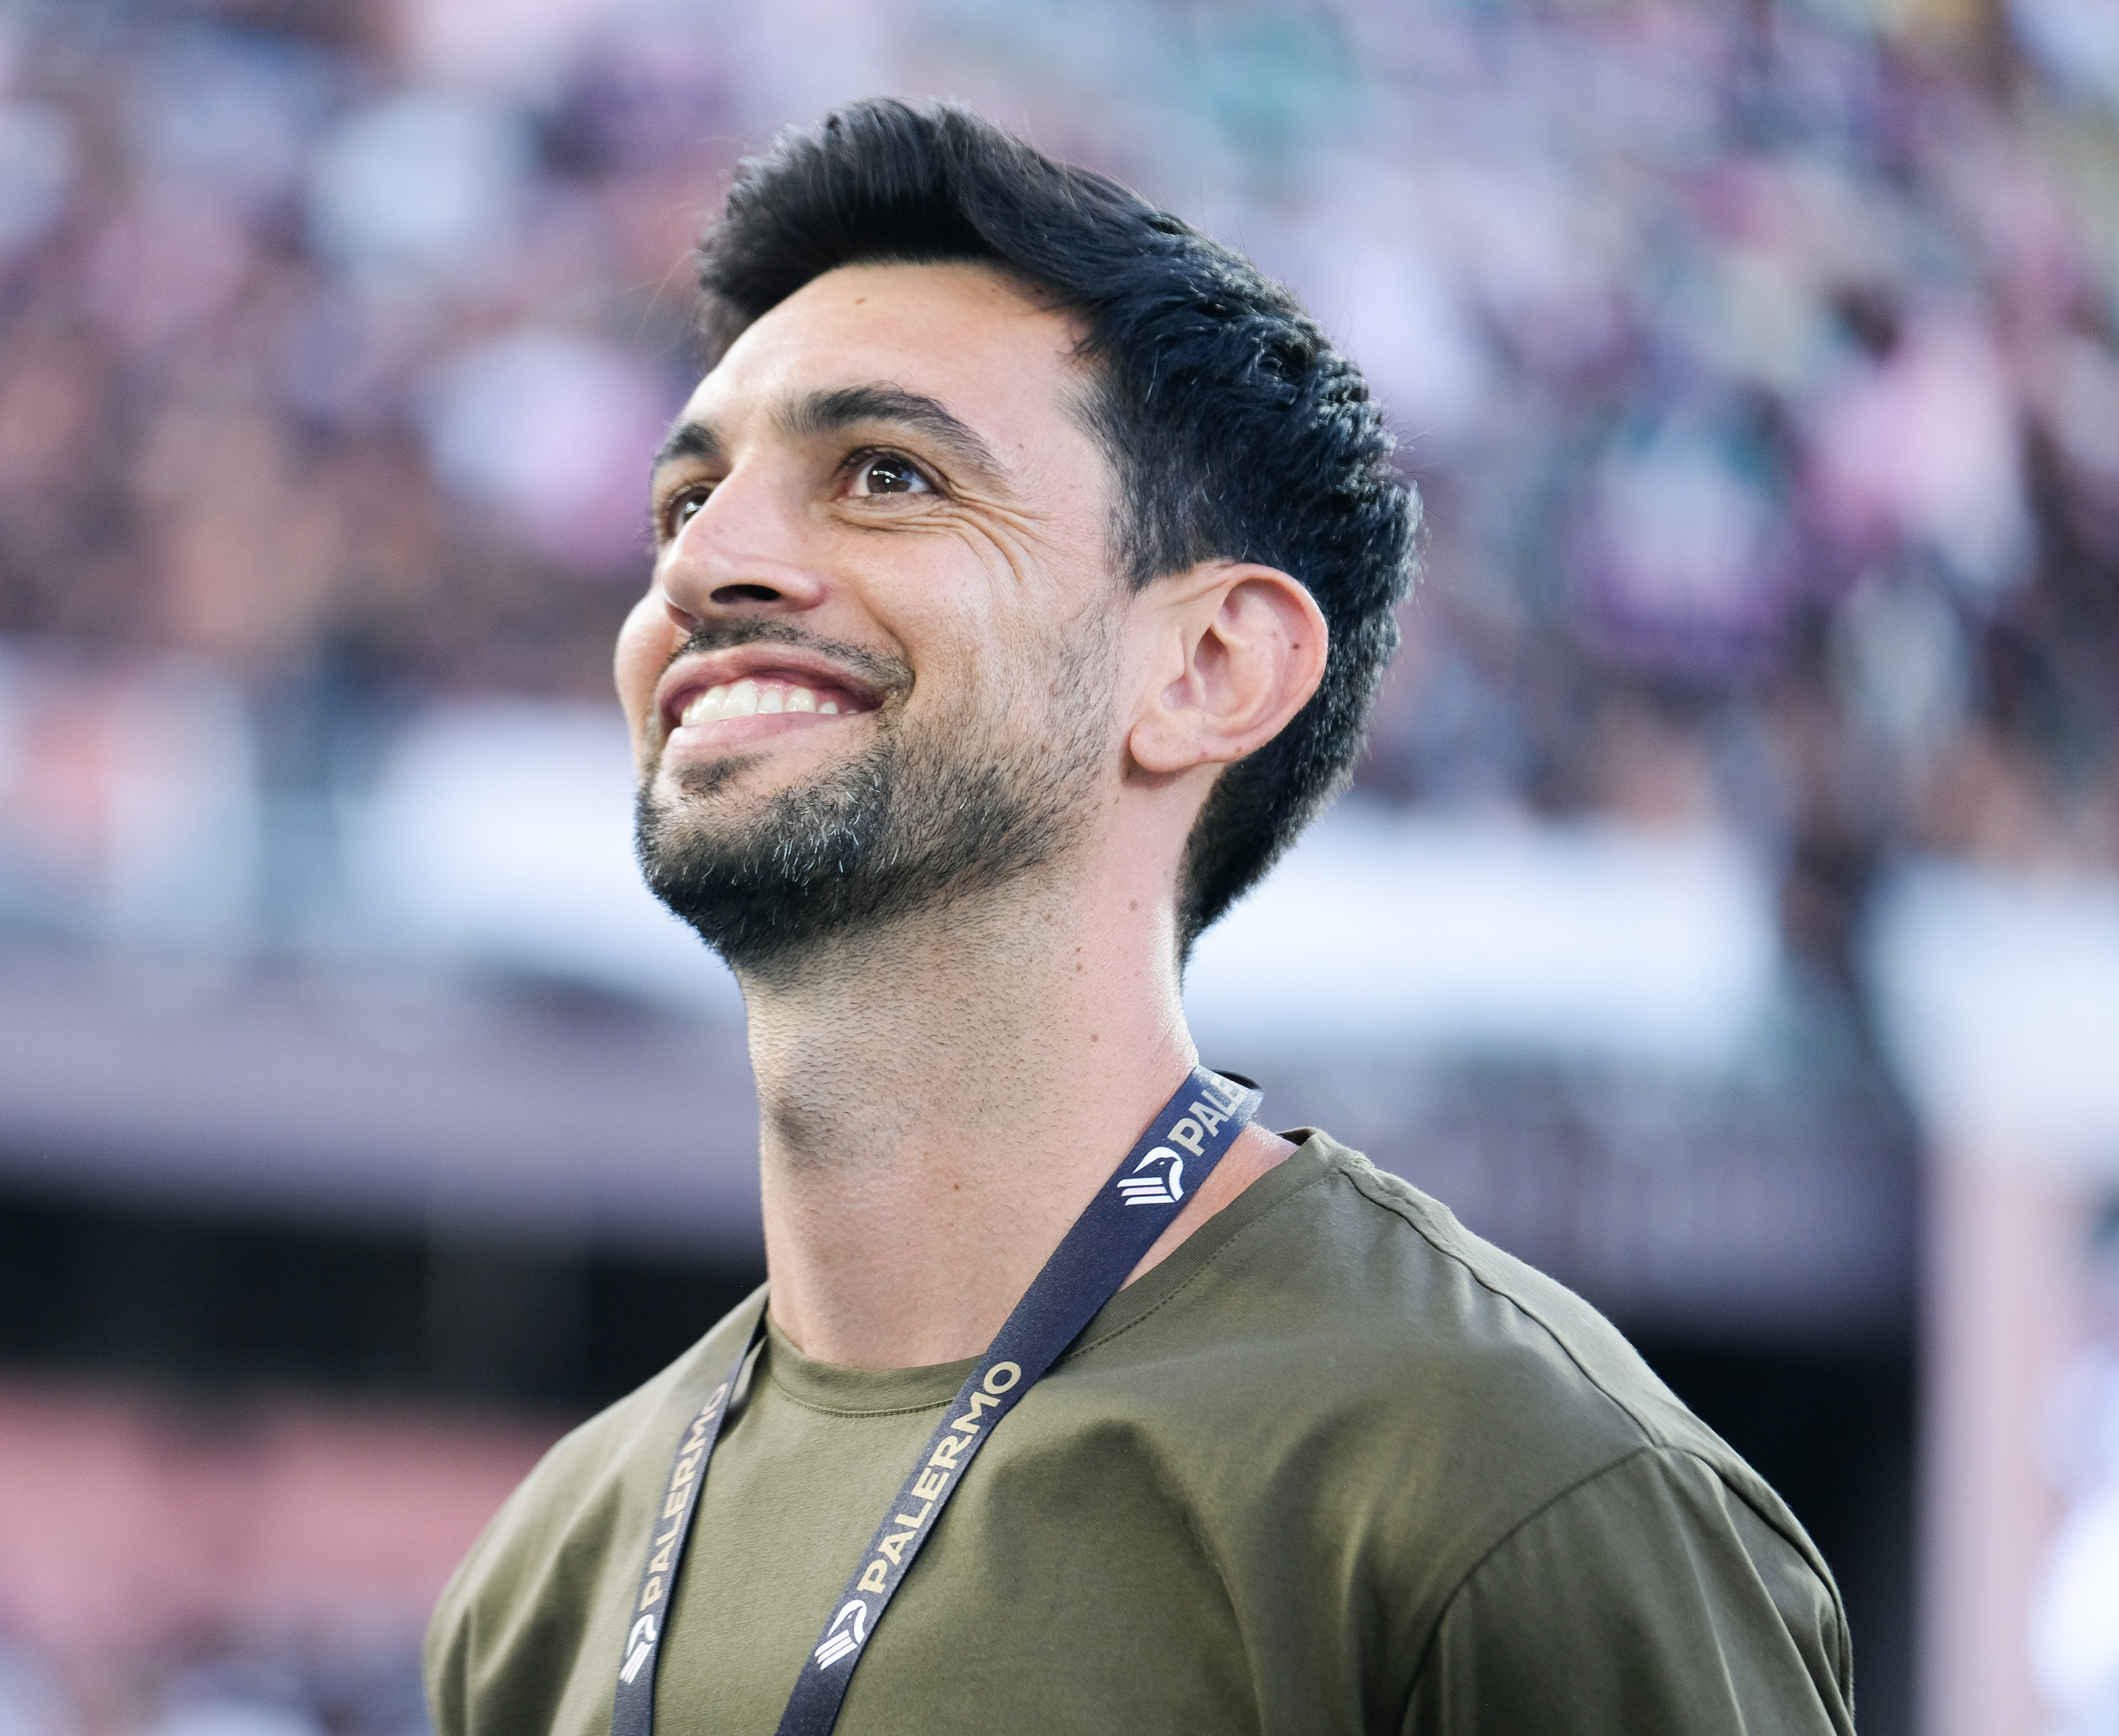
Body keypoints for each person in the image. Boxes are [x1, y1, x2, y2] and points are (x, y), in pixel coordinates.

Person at [425, 98, 1853, 1735]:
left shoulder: (1507, 1490)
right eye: (684, 504)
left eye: (886, 474)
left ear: (1208, 671)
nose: (710, 565)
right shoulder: (551, 1568)